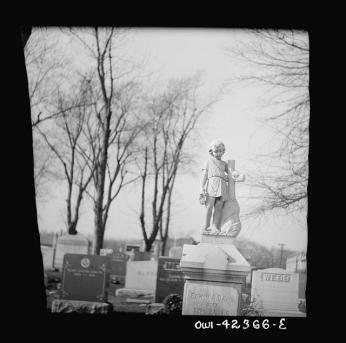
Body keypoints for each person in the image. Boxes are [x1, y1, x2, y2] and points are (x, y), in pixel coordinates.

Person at [199, 140, 230, 233]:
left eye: (220, 151)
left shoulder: (224, 164)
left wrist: (235, 175)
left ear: (223, 151)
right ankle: (206, 225)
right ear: (211, 151)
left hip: (222, 185)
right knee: (209, 206)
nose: (218, 153)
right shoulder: (208, 161)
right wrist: (201, 188)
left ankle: (215, 226)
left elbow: (232, 172)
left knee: (218, 207)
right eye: (216, 151)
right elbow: (204, 175)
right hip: (212, 184)